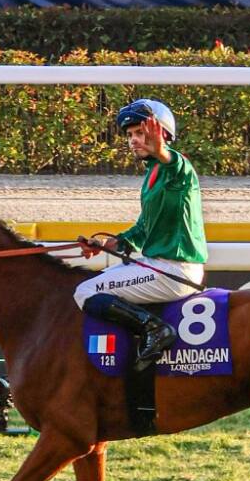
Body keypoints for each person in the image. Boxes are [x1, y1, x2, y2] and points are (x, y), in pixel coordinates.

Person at [66, 100, 209, 371]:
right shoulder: (152, 175)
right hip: (159, 266)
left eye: (140, 133)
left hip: (175, 270)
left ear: (162, 133)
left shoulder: (178, 168)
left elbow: (172, 162)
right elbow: (143, 229)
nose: (133, 140)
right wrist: (107, 244)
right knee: (91, 284)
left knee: (85, 291)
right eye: (130, 134)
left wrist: (162, 150)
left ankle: (154, 329)